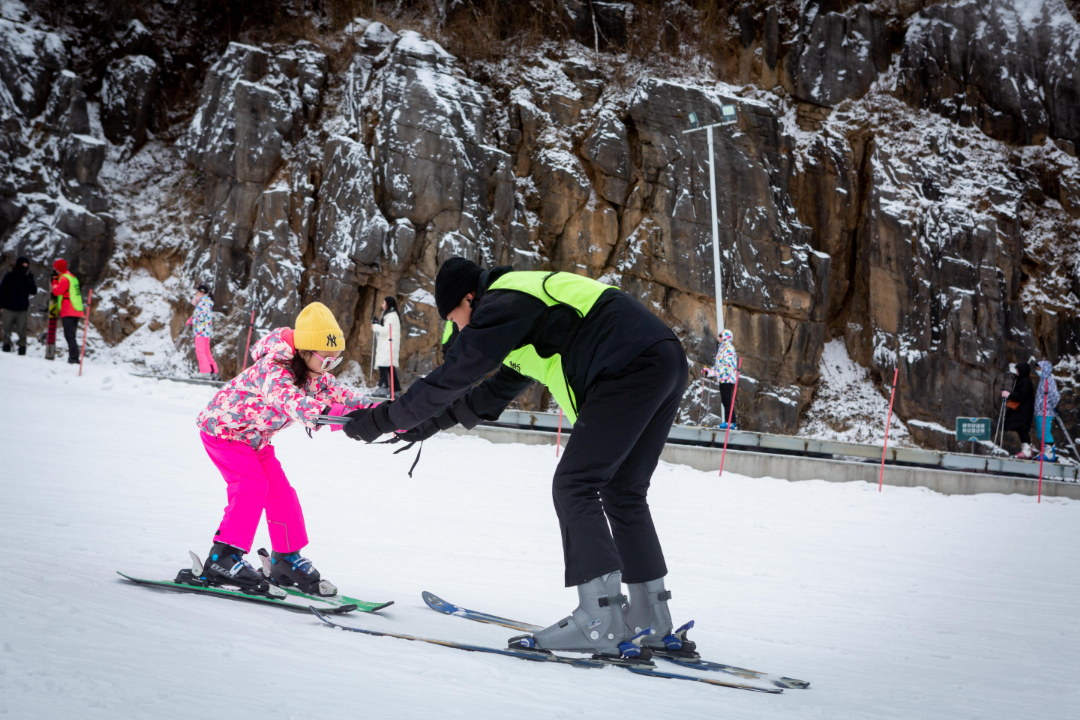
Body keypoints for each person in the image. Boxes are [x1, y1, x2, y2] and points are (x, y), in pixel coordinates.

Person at [343, 258, 692, 662]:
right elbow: (486, 395)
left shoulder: (506, 300)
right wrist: (421, 426)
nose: (457, 328)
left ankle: (600, 618)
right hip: (662, 360)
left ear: (470, 299)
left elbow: (455, 375)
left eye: (455, 318)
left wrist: (379, 420)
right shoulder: (525, 317)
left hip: (627, 364)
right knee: (623, 491)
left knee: (574, 484)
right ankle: (652, 619)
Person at [191, 302, 370, 597]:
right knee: (251, 486)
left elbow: (350, 398)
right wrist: (339, 416)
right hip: (223, 432)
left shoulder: (315, 376)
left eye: (335, 362)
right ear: (305, 351)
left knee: (281, 493)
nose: (329, 368)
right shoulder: (272, 370)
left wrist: (391, 415)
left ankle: (285, 560)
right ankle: (222, 558)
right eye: (326, 361)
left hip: (255, 441)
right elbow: (293, 403)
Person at [0, 256, 37, 355]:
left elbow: (33, 291)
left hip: (22, 310)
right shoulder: (9, 276)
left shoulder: (26, 279)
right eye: (23, 265)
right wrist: (2, 306)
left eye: (26, 266)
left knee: (22, 332)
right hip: (8, 308)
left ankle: (22, 350)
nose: (24, 267)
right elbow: (2, 291)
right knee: (6, 330)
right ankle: (6, 348)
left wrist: (31, 280)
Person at [702, 329, 738, 429]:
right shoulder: (722, 348)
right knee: (725, 400)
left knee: (727, 400)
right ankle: (729, 422)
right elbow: (719, 365)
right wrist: (709, 371)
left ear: (726, 337)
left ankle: (730, 422)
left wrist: (715, 372)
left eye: (721, 336)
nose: (719, 337)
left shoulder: (728, 348)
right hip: (723, 377)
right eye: (719, 335)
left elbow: (726, 365)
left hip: (727, 377)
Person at [49, 259, 83, 364]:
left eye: (56, 269)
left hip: (69, 310)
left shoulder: (64, 279)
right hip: (76, 309)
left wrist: (54, 281)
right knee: (71, 335)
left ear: (59, 269)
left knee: (69, 335)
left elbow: (56, 291)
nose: (55, 270)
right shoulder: (71, 277)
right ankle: (74, 357)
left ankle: (73, 358)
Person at [1004, 363, 1036, 458]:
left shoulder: (1025, 381)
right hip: (1021, 410)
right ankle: (1026, 449)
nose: (1017, 372)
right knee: (1021, 429)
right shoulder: (1021, 380)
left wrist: (1009, 395)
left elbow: (1021, 394)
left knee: (1022, 429)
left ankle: (1027, 450)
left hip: (1023, 411)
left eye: (1018, 370)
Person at [186, 283, 218, 379]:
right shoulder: (206, 301)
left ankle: (205, 371)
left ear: (202, 292)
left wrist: (192, 320)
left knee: (201, 352)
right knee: (206, 351)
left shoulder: (204, 302)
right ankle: (213, 370)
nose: (196, 293)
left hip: (201, 330)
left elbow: (201, 316)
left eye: (197, 291)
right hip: (205, 331)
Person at [371, 295, 401, 398]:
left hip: (388, 346)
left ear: (388, 304)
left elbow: (385, 330)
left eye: (384, 303)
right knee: (389, 367)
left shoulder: (391, 316)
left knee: (384, 366)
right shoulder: (391, 315)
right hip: (388, 345)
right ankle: (395, 389)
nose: (382, 305)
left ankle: (383, 387)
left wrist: (375, 326)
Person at [1033, 360, 1060, 462]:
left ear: (1045, 369)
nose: (1037, 370)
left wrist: (1050, 406)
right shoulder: (1042, 380)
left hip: (1045, 411)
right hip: (1039, 411)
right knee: (1040, 433)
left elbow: (1055, 395)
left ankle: (1049, 454)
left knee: (1045, 432)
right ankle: (1045, 451)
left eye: (1039, 368)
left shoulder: (1049, 380)